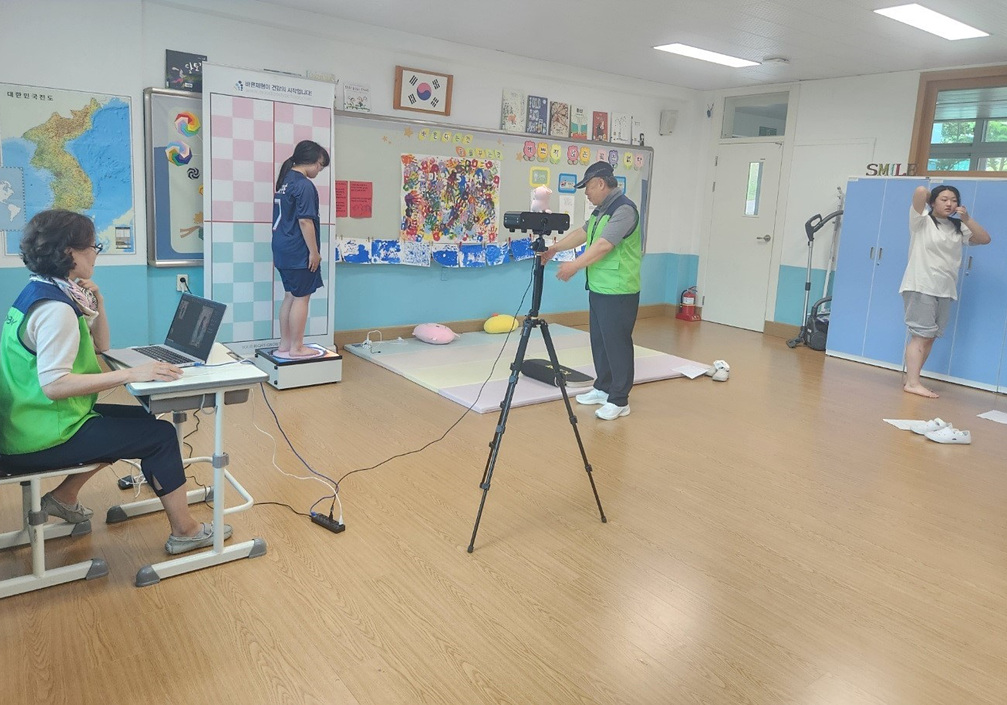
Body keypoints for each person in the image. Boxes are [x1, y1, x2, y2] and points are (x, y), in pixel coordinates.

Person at [0, 209, 231, 555]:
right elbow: (54, 385)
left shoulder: (42, 291)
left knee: (140, 421)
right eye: (93, 246)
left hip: (29, 421)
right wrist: (131, 373)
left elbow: (102, 346)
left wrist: (100, 305)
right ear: (69, 253)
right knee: (159, 436)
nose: (96, 253)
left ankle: (64, 496)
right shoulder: (56, 310)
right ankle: (186, 531)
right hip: (41, 435)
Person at [540, 161, 642, 421]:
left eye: (587, 187)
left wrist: (574, 265)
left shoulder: (624, 210)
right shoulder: (601, 210)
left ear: (600, 183)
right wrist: (554, 249)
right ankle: (603, 387)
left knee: (617, 344)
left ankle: (619, 400)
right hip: (599, 288)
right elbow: (582, 233)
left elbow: (604, 245)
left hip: (619, 290)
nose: (586, 192)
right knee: (600, 342)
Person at [900, 184, 991, 398]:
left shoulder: (957, 227)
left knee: (930, 337)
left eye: (954, 200)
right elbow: (920, 191)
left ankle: (913, 379)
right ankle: (912, 383)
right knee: (920, 335)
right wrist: (931, 199)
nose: (950, 203)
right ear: (933, 202)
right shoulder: (921, 221)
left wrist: (966, 218)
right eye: (944, 199)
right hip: (921, 284)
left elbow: (984, 239)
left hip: (945, 288)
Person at [272, 139, 330, 359]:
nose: (319, 170)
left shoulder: (286, 180)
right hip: (297, 250)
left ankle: (285, 344)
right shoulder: (304, 185)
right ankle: (297, 347)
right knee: (301, 297)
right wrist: (314, 252)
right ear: (314, 162)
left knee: (290, 295)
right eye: (320, 166)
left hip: (282, 248)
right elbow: (305, 221)